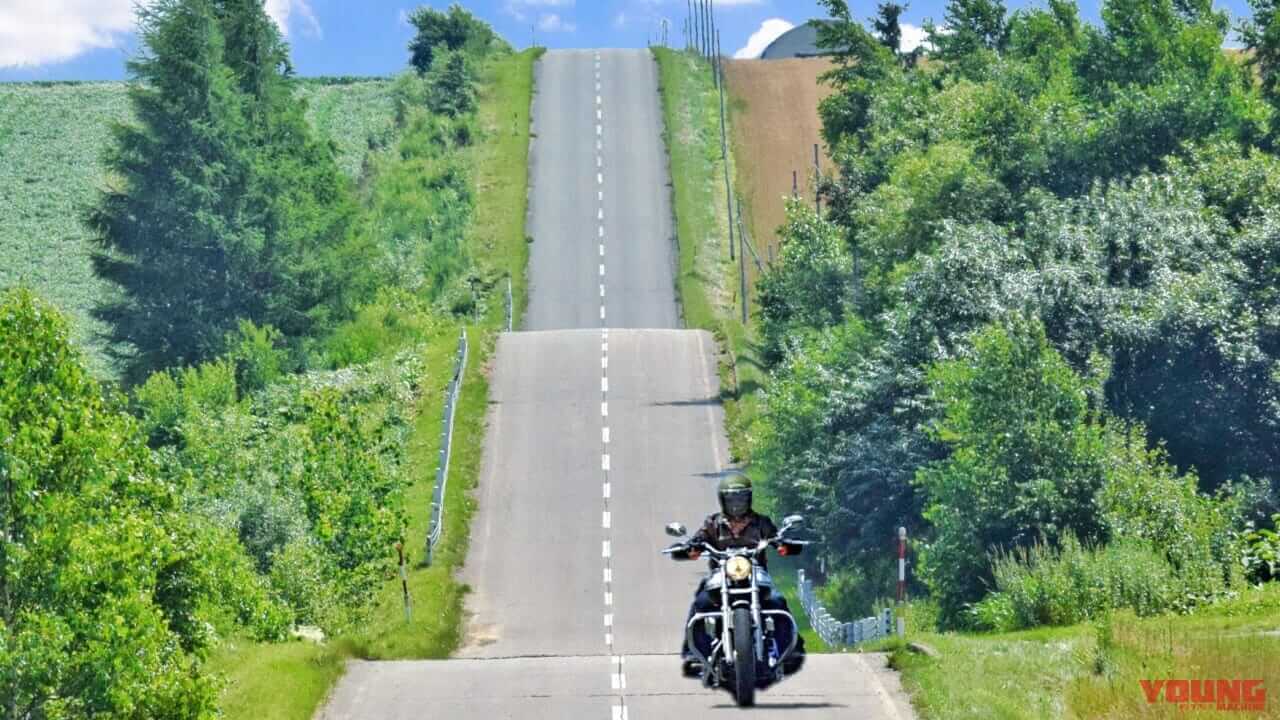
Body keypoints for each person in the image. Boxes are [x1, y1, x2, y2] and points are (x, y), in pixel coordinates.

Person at [678, 474, 805, 677]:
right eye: (731, 499)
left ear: (748, 499)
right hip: (722, 576)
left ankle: (789, 650)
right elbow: (697, 541)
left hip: (755, 574)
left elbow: (775, 538)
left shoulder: (761, 522)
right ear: (723, 500)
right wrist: (691, 547)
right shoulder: (712, 523)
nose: (736, 504)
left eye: (740, 498)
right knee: (700, 604)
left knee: (778, 602)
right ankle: (695, 654)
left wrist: (783, 544)